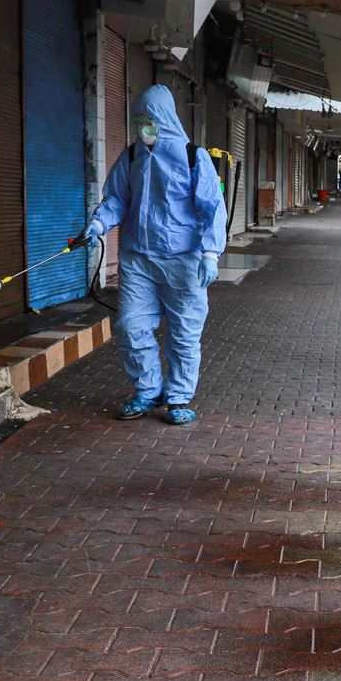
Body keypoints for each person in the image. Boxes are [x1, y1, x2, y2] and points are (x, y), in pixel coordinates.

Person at [82, 85, 228, 426]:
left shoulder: (193, 157)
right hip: (138, 258)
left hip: (183, 260)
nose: (141, 128)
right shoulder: (132, 156)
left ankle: (178, 398)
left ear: (162, 119)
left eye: (147, 121)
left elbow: (212, 207)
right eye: (137, 121)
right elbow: (117, 198)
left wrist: (210, 253)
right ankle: (147, 390)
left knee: (184, 332)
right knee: (131, 326)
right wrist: (99, 223)